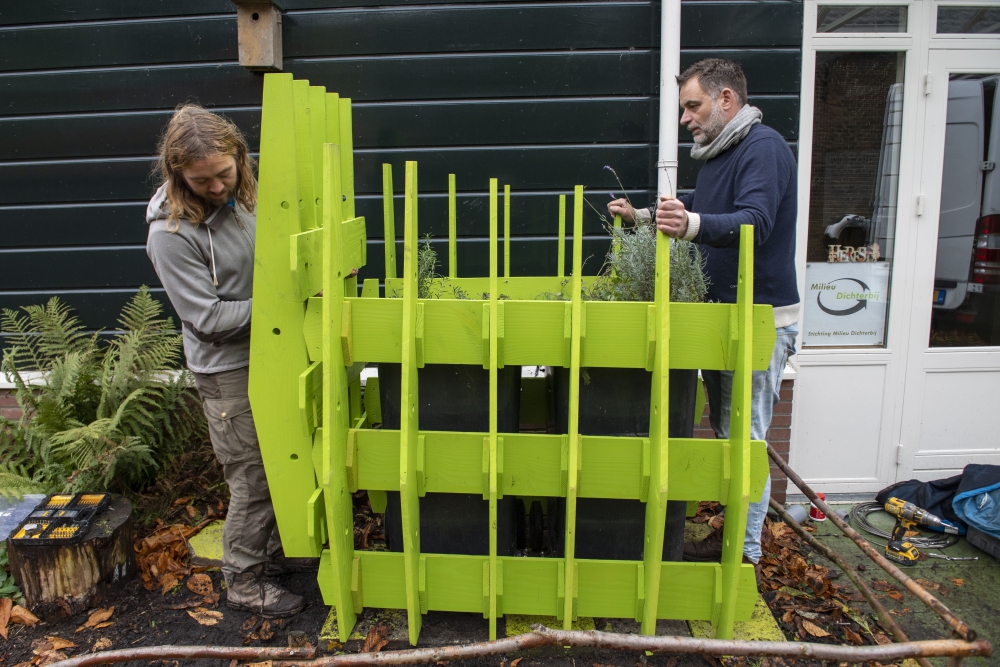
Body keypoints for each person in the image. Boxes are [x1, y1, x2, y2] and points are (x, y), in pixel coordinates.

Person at [608, 58, 799, 577]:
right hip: (722, 323)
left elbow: (753, 223)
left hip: (758, 325)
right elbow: (704, 203)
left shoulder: (764, 150)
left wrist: (689, 224)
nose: (686, 118)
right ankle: (734, 536)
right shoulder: (720, 154)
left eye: (693, 106)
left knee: (746, 441)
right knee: (726, 434)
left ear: (726, 101)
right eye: (684, 108)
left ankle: (744, 555)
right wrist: (647, 216)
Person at [146, 104, 307, 618]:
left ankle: (272, 556)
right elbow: (207, 319)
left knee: (286, 461)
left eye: (224, 173)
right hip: (228, 370)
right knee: (253, 475)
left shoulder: (248, 197)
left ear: (240, 155)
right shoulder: (170, 235)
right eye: (201, 180)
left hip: (277, 352)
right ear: (178, 176)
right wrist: (287, 303)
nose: (217, 188)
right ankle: (242, 582)